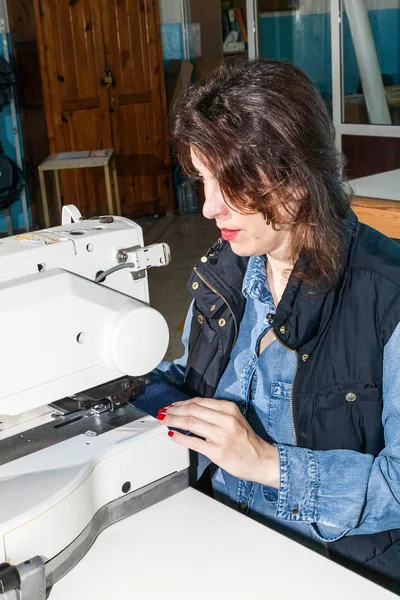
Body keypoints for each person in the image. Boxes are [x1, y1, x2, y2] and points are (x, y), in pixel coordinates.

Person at [154, 59, 400, 591]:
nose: (208, 207)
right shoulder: (225, 270)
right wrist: (126, 381)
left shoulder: (388, 300)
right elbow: (195, 372)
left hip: (326, 565)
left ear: (298, 173)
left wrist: (269, 463)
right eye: (204, 179)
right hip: (212, 533)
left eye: (231, 182)